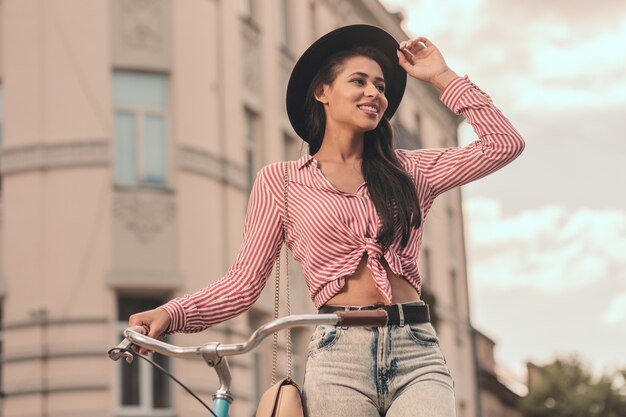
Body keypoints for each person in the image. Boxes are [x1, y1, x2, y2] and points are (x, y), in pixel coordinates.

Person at [128, 24, 525, 417]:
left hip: (416, 350)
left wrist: (442, 76)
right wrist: (170, 313)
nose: (374, 93)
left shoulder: (411, 170)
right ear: (323, 92)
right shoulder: (280, 182)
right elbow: (243, 285)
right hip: (339, 358)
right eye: (359, 81)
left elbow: (504, 144)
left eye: (381, 86)